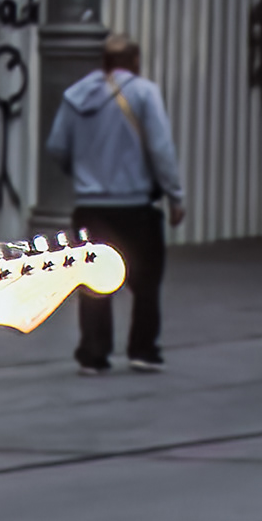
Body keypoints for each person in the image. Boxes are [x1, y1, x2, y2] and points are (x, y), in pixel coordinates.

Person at [44, 31, 184, 372]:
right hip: (136, 207)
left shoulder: (75, 97)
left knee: (94, 282)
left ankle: (94, 353)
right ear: (134, 61)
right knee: (147, 281)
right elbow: (161, 150)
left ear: (103, 62)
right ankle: (143, 349)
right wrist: (175, 195)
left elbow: (57, 146)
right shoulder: (144, 93)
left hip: (91, 207)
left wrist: (82, 173)